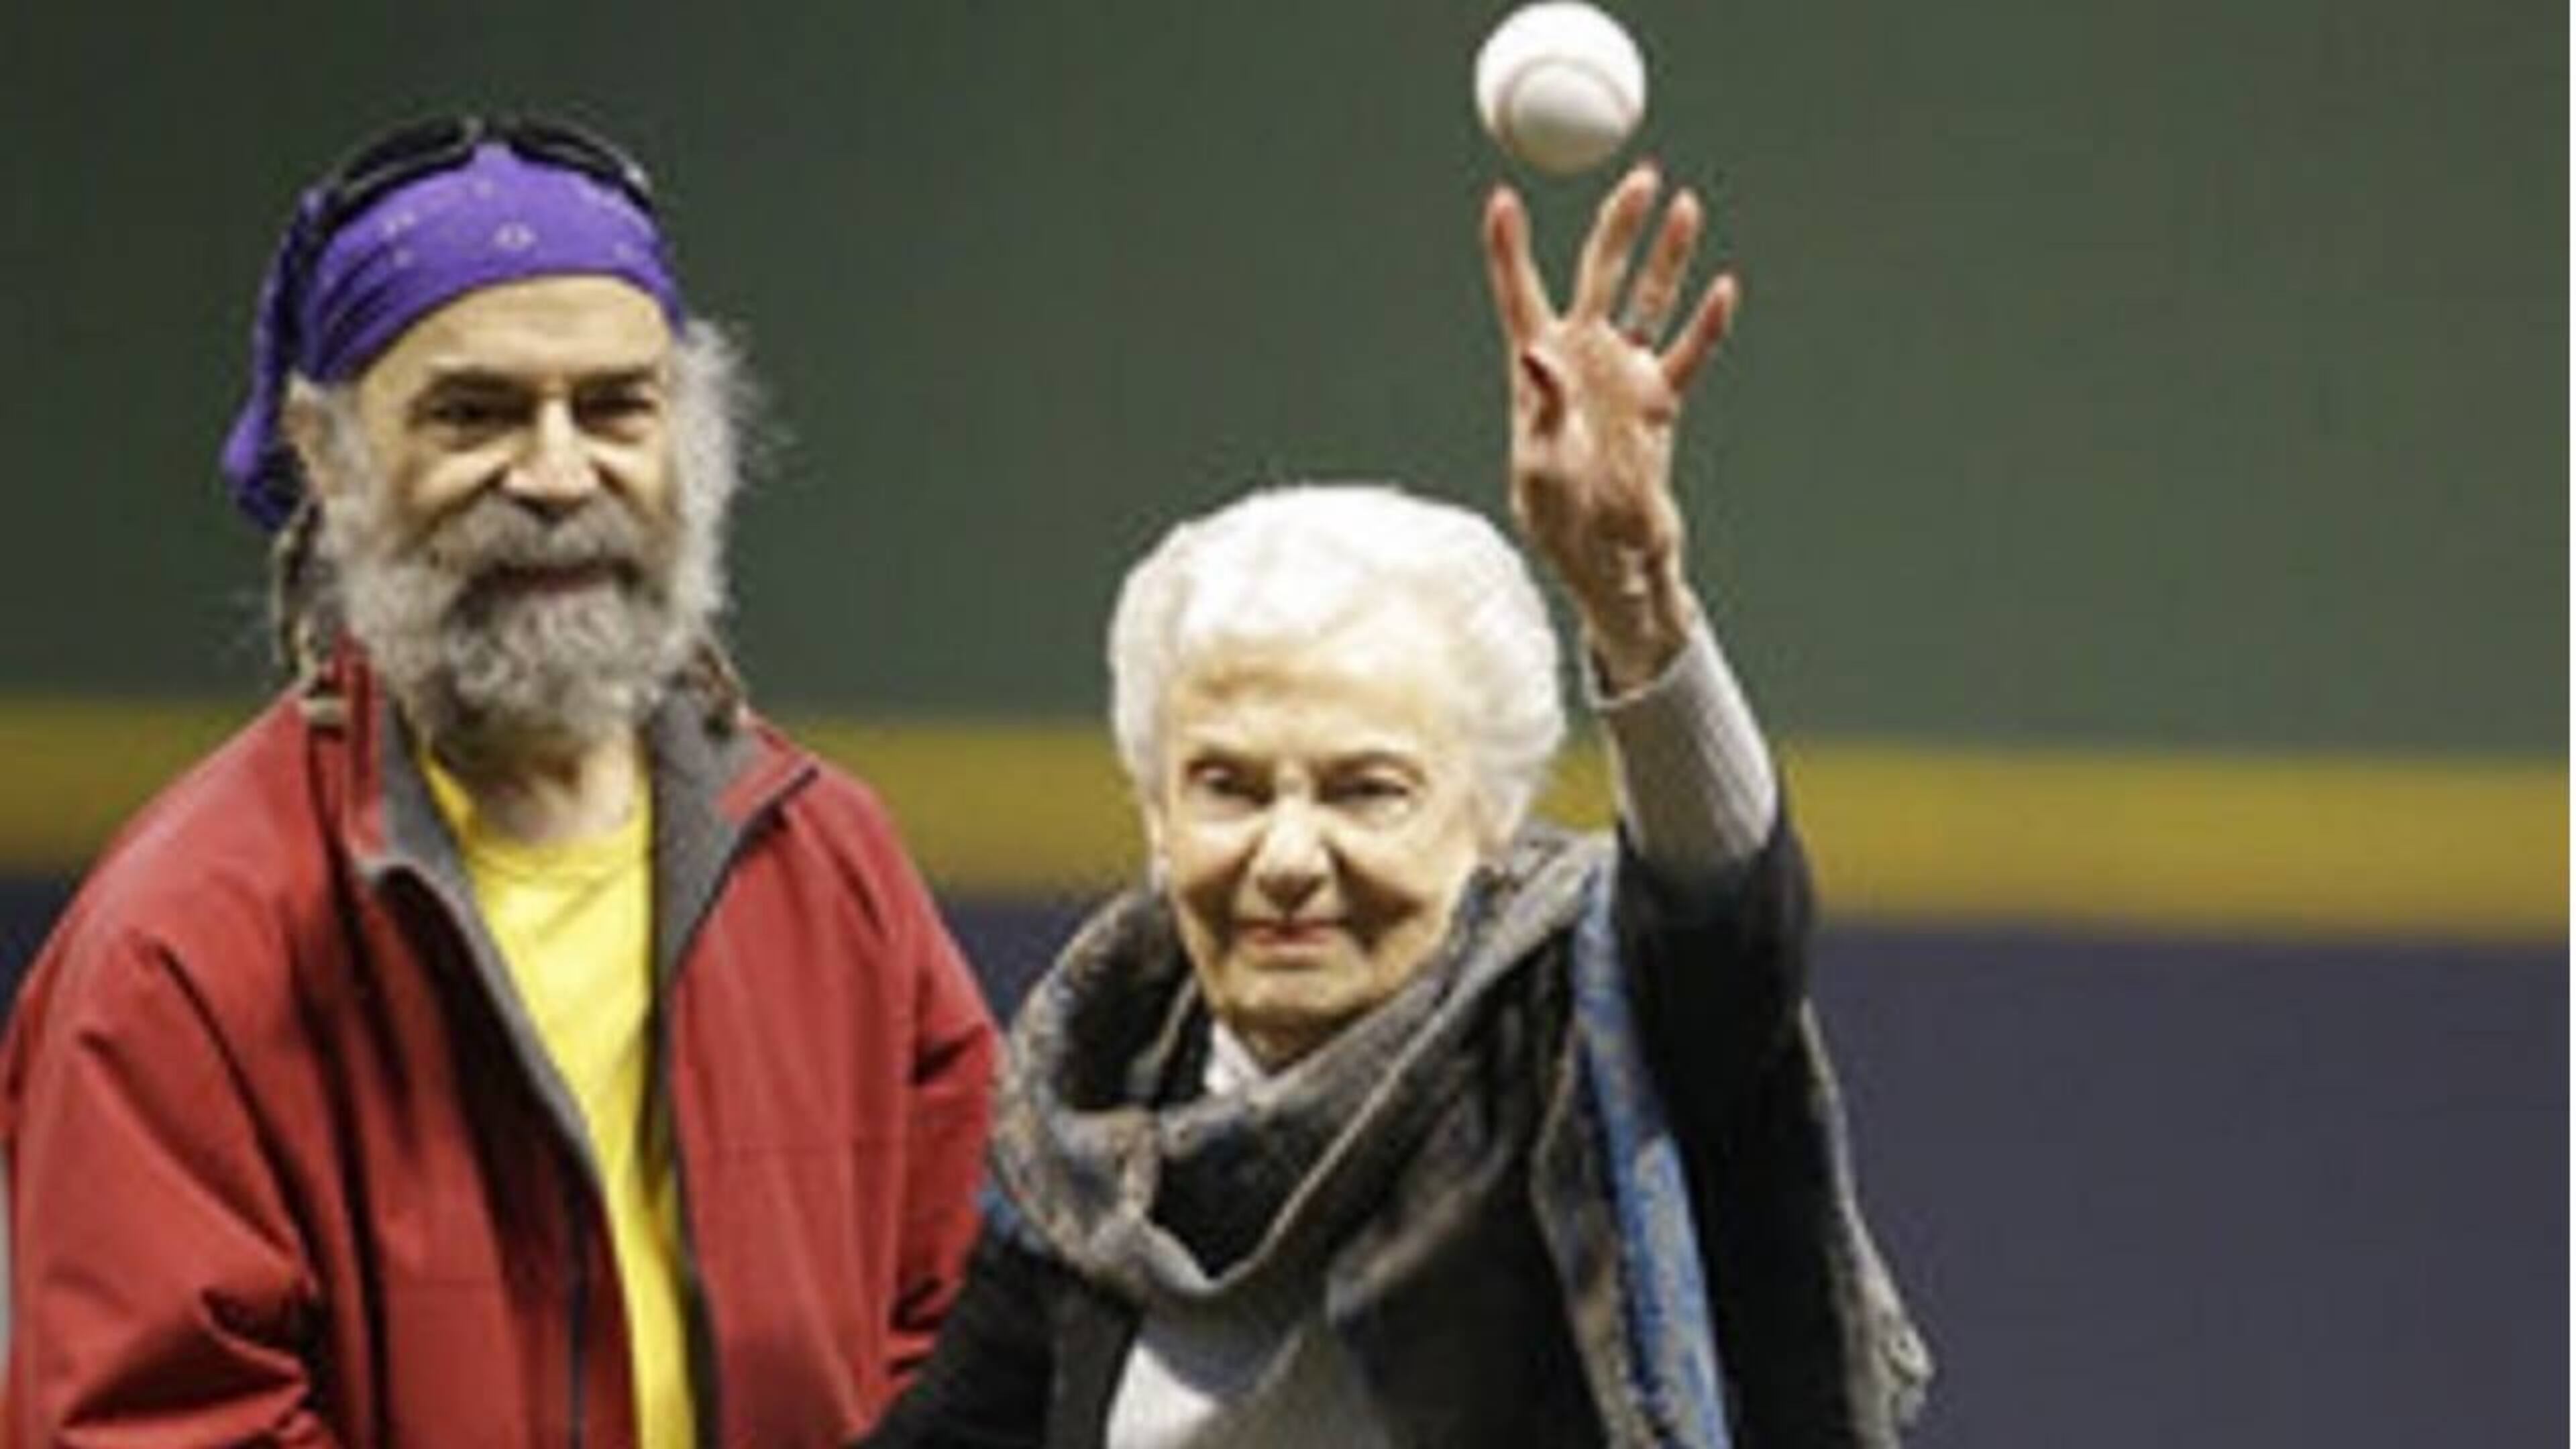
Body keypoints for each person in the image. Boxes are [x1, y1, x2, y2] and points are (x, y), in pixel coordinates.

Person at [858, 164, 1933, 1449]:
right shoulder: (1092, 1127)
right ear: (1152, 816)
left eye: (1367, 791)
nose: (1289, 858)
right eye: (1227, 788)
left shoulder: (1578, 1045)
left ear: (1491, 821)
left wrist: (1635, 604)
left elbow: (1728, 926)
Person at [0, 115, 998, 1446]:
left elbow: (970, 1356)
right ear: (327, 451)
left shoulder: (829, 867)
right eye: (475, 413)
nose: (555, 472)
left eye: (613, 406)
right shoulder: (183, 945)